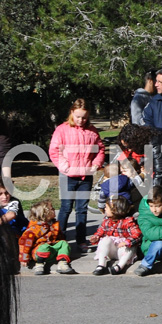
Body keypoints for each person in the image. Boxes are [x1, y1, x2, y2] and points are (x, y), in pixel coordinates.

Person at [48, 98, 105, 252]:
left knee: (82, 209)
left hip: (86, 176)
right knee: (66, 208)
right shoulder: (62, 129)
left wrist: (95, 164)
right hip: (68, 175)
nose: (81, 120)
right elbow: (54, 151)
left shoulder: (92, 131)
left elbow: (100, 149)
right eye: (78, 116)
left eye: (84, 117)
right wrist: (64, 166)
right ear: (72, 113)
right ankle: (60, 238)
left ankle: (81, 240)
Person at [117, 124, 162, 205]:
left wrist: (153, 194)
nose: (129, 149)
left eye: (130, 146)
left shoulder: (154, 142)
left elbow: (159, 171)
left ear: (135, 140)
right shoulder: (145, 139)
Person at [18, 199, 74, 274]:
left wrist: (62, 243)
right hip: (38, 252)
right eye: (52, 209)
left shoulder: (54, 224)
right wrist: (24, 258)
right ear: (44, 213)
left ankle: (62, 263)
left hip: (52, 250)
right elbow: (25, 243)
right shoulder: (34, 228)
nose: (54, 210)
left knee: (64, 243)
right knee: (44, 246)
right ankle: (39, 264)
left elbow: (60, 236)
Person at [134, 185, 162, 277]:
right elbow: (151, 233)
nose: (154, 210)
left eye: (158, 206)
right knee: (160, 242)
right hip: (150, 246)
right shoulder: (144, 216)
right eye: (151, 206)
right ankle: (145, 264)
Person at [88, 197, 141, 276]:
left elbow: (137, 234)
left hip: (122, 251)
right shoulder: (106, 220)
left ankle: (119, 266)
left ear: (115, 210)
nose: (104, 209)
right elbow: (101, 231)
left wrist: (127, 242)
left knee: (131, 247)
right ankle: (101, 265)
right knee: (105, 240)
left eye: (107, 207)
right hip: (111, 251)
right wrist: (96, 237)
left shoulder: (128, 221)